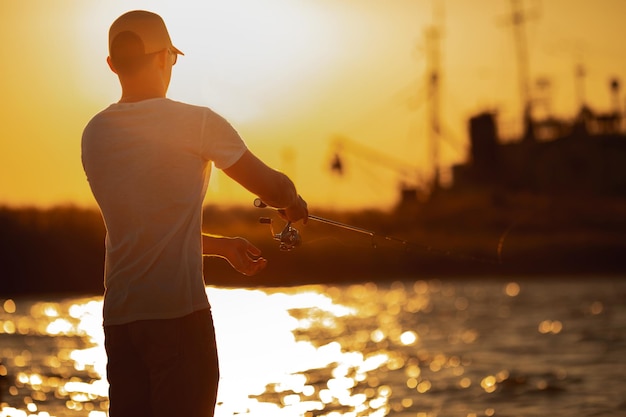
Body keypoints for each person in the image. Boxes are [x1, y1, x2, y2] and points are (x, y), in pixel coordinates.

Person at [81, 10, 308, 417]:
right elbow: (272, 188)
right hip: (179, 321)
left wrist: (220, 247)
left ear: (113, 64)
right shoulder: (197, 123)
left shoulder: (94, 133)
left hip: (120, 325)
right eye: (172, 57)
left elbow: (143, 230)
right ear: (165, 56)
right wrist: (292, 201)